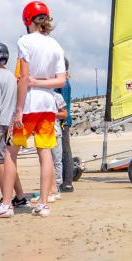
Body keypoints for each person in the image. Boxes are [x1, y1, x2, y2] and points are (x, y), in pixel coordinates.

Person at [0, 1, 66, 219]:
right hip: (48, 105)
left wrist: (19, 109)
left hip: (29, 104)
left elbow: (23, 78)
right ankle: (42, 203)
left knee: (11, 153)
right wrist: (39, 82)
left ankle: (6, 204)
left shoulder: (25, 41)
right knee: (45, 152)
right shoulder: (56, 45)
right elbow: (61, 80)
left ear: (27, 20)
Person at [0, 42, 28, 209]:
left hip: (1, 123)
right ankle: (20, 196)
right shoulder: (12, 76)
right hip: (14, 122)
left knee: (0, 161)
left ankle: (6, 198)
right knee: (11, 161)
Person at [60, 58, 74, 192]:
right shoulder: (62, 81)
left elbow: (62, 105)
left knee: (65, 151)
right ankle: (64, 180)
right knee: (63, 151)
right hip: (62, 120)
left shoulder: (63, 82)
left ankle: (68, 182)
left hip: (63, 121)